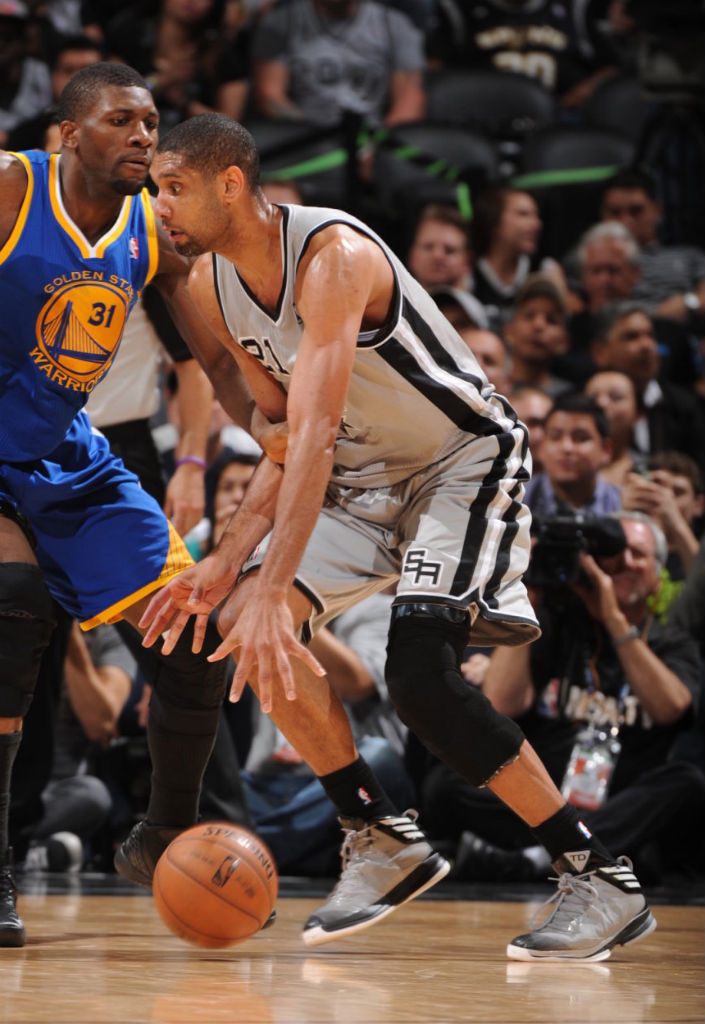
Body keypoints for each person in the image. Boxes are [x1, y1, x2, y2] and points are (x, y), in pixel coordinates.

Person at [140, 112, 656, 961]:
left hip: (460, 462)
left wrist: (274, 587)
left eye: (174, 187)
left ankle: (595, 874)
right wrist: (229, 564)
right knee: (238, 621)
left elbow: (313, 433)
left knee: (417, 675)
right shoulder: (212, 283)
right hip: (364, 475)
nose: (160, 205)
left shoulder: (332, 258)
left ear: (229, 182)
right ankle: (376, 830)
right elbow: (278, 439)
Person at [0, 63, 278, 947]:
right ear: (68, 134)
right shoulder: (12, 188)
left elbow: (219, 363)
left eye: (152, 123)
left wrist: (283, 437)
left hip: (63, 452)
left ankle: (160, 830)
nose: (145, 138)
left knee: (190, 630)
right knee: (16, 614)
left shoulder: (150, 232)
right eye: (122, 121)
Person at [424, 513, 705, 887]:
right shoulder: (557, 627)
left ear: (658, 576)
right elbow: (503, 704)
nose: (625, 564)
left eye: (638, 555)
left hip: (621, 798)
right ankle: (571, 853)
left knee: (685, 781)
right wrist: (528, 598)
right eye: (614, 555)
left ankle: (539, 858)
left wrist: (613, 619)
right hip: (546, 794)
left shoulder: (672, 644)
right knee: (447, 783)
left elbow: (671, 708)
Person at [250, 0, 426, 129]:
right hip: (303, 136)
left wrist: (380, 146)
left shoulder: (394, 24)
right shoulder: (280, 23)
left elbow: (410, 99)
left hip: (372, 136)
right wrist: (314, 137)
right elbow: (269, 95)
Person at [522, 392, 622, 520]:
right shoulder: (514, 500)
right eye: (555, 437)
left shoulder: (622, 505)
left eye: (581, 438)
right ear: (541, 447)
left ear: (606, 449)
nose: (566, 448)